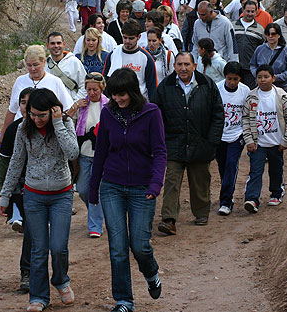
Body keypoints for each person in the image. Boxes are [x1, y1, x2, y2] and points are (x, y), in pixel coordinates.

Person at [89, 68, 167, 312]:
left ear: (132, 91)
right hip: (111, 186)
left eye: (122, 95)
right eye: (114, 95)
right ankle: (124, 300)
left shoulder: (151, 113)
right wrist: (93, 188)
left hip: (142, 188)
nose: (118, 100)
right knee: (118, 247)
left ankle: (151, 271)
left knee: (140, 245)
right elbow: (100, 153)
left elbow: (160, 152)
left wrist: (156, 184)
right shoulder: (108, 114)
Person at [0, 88, 80, 312]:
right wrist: (5, 196)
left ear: (53, 110)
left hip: (61, 195)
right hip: (33, 196)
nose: (37, 119)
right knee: (39, 249)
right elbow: (15, 162)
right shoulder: (24, 129)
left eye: (42, 115)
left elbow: (73, 153)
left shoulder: (64, 124)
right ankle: (38, 296)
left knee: (59, 247)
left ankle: (61, 281)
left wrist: (58, 123)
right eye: (33, 114)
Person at [154, 52, 224, 234]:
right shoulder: (165, 86)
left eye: (186, 64)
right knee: (171, 181)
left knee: (200, 180)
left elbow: (218, 114)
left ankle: (201, 213)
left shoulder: (207, 85)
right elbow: (156, 116)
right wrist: (159, 140)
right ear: (174, 66)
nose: (183, 68)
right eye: (179, 64)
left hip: (200, 142)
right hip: (173, 143)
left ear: (194, 65)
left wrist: (212, 141)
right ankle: (169, 219)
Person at [0, 87, 35, 292]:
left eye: (30, 101)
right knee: (30, 229)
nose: (27, 107)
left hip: (46, 187)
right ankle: (27, 273)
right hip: (20, 188)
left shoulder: (49, 127)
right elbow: (4, 160)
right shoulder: (13, 130)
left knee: (36, 231)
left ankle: (43, 271)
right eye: (23, 102)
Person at [242, 65, 287, 213]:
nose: (262, 80)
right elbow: (246, 119)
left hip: (276, 143)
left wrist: (286, 140)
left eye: (266, 77)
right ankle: (252, 200)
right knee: (255, 171)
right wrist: (249, 140)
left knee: (276, 169)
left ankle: (276, 193)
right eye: (259, 77)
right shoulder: (252, 97)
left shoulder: (281, 96)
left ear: (273, 78)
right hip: (258, 144)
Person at [0, 45, 74, 145]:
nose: (33, 69)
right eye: (29, 65)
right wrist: (3, 134)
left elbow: (67, 109)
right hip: (21, 130)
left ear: (44, 62)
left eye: (36, 64)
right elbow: (12, 110)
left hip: (46, 133)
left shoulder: (55, 82)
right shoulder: (20, 81)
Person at [65, 73, 108, 238]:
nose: (91, 93)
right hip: (83, 155)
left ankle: (95, 226)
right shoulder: (82, 106)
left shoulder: (109, 106)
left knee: (95, 190)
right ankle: (96, 210)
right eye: (88, 89)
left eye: (95, 89)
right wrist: (75, 107)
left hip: (102, 157)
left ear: (101, 88)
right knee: (82, 189)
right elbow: (64, 121)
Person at [215, 62, 250, 216]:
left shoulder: (245, 91)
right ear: (225, 77)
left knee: (231, 164)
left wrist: (248, 134)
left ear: (240, 79)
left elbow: (249, 113)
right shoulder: (217, 88)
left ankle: (226, 201)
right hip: (219, 134)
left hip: (237, 134)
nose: (232, 82)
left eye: (235, 79)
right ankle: (226, 188)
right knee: (222, 164)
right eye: (229, 79)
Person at [102, 19, 157, 101]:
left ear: (139, 37)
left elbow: (152, 86)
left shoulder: (146, 57)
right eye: (125, 37)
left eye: (131, 38)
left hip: (139, 102)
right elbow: (105, 81)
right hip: (117, 102)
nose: (127, 41)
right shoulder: (113, 54)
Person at [249, 23, 287, 92]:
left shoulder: (286, 51)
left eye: (273, 34)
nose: (270, 36)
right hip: (262, 86)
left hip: (281, 87)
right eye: (268, 34)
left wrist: (276, 77)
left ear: (279, 35)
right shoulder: (259, 49)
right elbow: (252, 65)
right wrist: (260, 76)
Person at [232, 0, 266, 88]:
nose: (250, 14)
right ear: (243, 10)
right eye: (248, 11)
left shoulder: (260, 29)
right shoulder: (232, 25)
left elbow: (262, 50)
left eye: (252, 11)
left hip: (250, 69)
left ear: (256, 12)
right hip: (234, 67)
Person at [46, 32, 87, 101]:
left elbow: (84, 84)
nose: (56, 46)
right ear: (47, 45)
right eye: (52, 43)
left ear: (64, 44)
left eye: (58, 43)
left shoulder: (74, 62)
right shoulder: (45, 65)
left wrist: (74, 103)